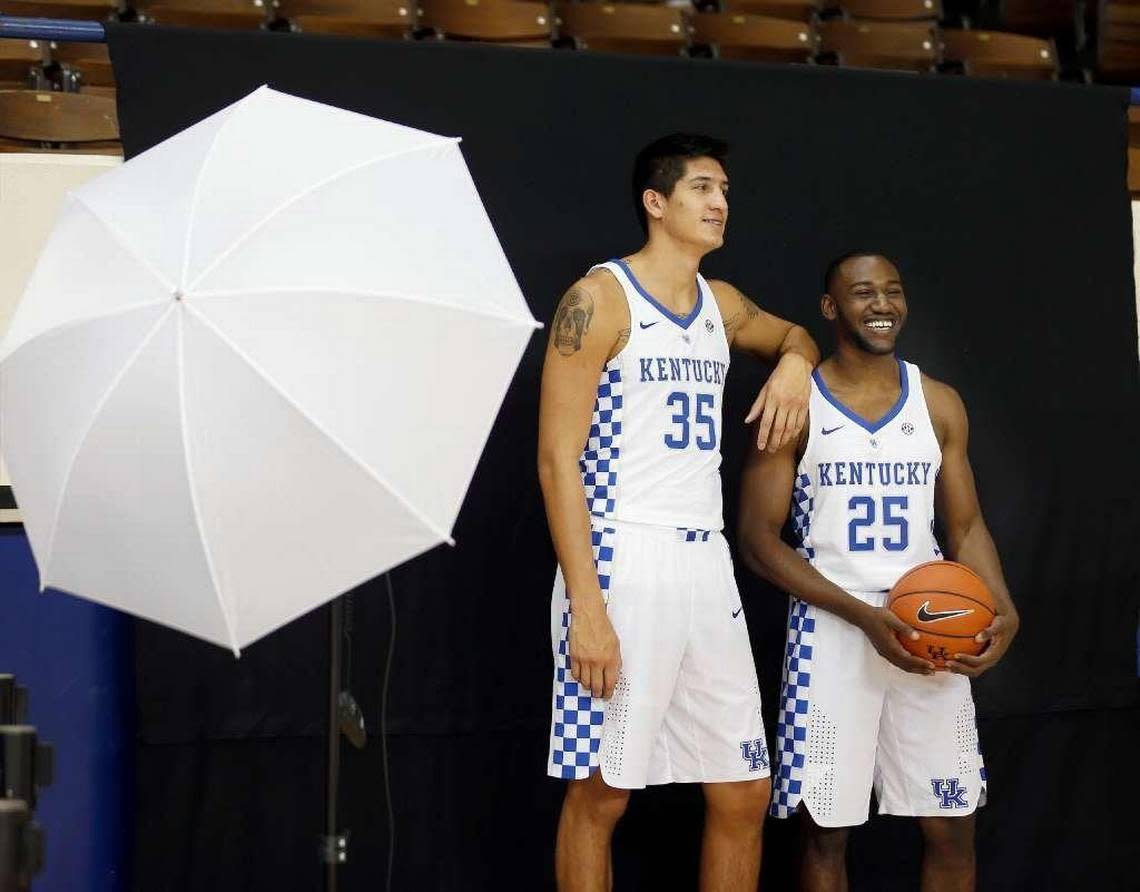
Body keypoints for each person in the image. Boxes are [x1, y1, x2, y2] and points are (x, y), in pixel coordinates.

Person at [537, 132, 819, 892]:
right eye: (701, 187)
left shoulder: (722, 305)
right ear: (655, 202)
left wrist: (795, 363)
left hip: (706, 560)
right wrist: (587, 609)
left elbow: (797, 335)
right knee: (602, 792)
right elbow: (556, 459)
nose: (720, 202)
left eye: (724, 189)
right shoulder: (598, 299)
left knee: (743, 788)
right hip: (621, 554)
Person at [738, 251, 1019, 892]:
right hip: (834, 629)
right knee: (825, 832)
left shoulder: (938, 403)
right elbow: (757, 539)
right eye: (864, 293)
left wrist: (1005, 607)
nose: (883, 304)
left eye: (893, 291)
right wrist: (864, 616)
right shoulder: (795, 403)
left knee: (952, 826)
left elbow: (967, 527)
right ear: (832, 308)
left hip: (932, 627)